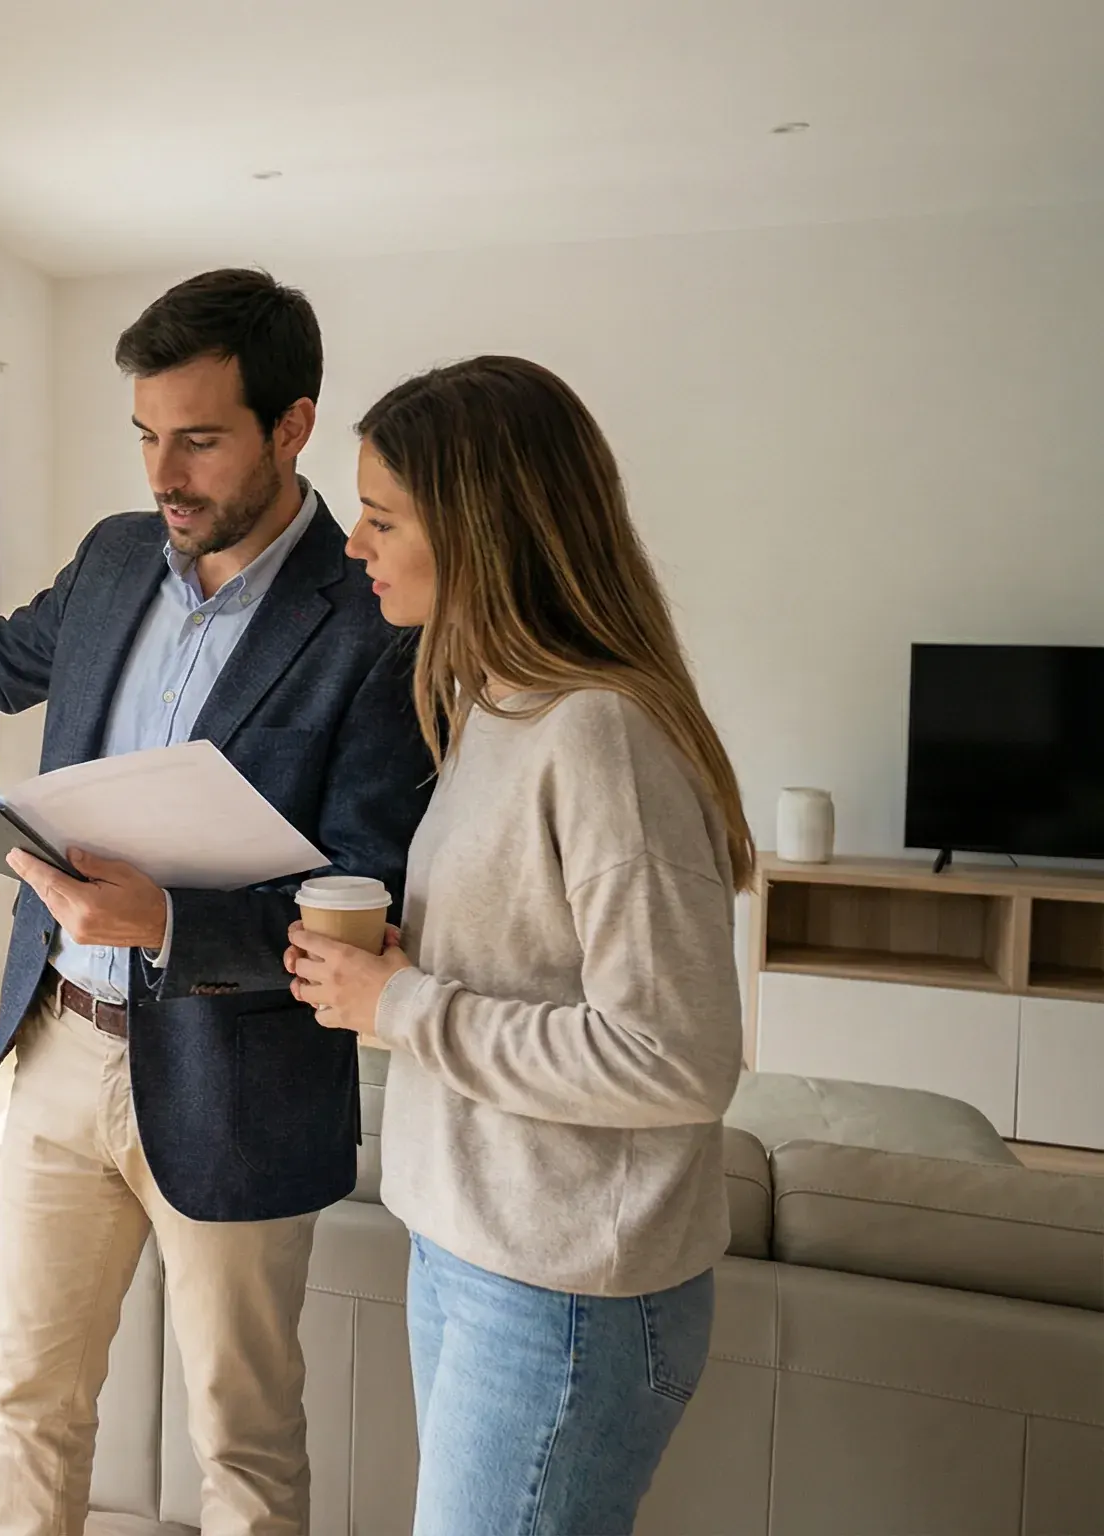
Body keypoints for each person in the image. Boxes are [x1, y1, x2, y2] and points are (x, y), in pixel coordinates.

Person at [0, 269, 433, 1536]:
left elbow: (362, 901)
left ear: (291, 427)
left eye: (201, 439)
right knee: (28, 1396)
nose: (166, 472)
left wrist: (166, 921)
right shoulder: (117, 556)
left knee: (244, 1442)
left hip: (238, 1081)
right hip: (58, 1046)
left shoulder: (372, 617)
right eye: (148, 436)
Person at [285, 355, 752, 1535]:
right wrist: (412, 960)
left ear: (484, 532)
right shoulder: (495, 705)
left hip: (564, 1293)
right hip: (471, 1243)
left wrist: (401, 1009)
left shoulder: (600, 737)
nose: (355, 545)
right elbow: (530, 953)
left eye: (383, 518)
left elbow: (675, 1060)